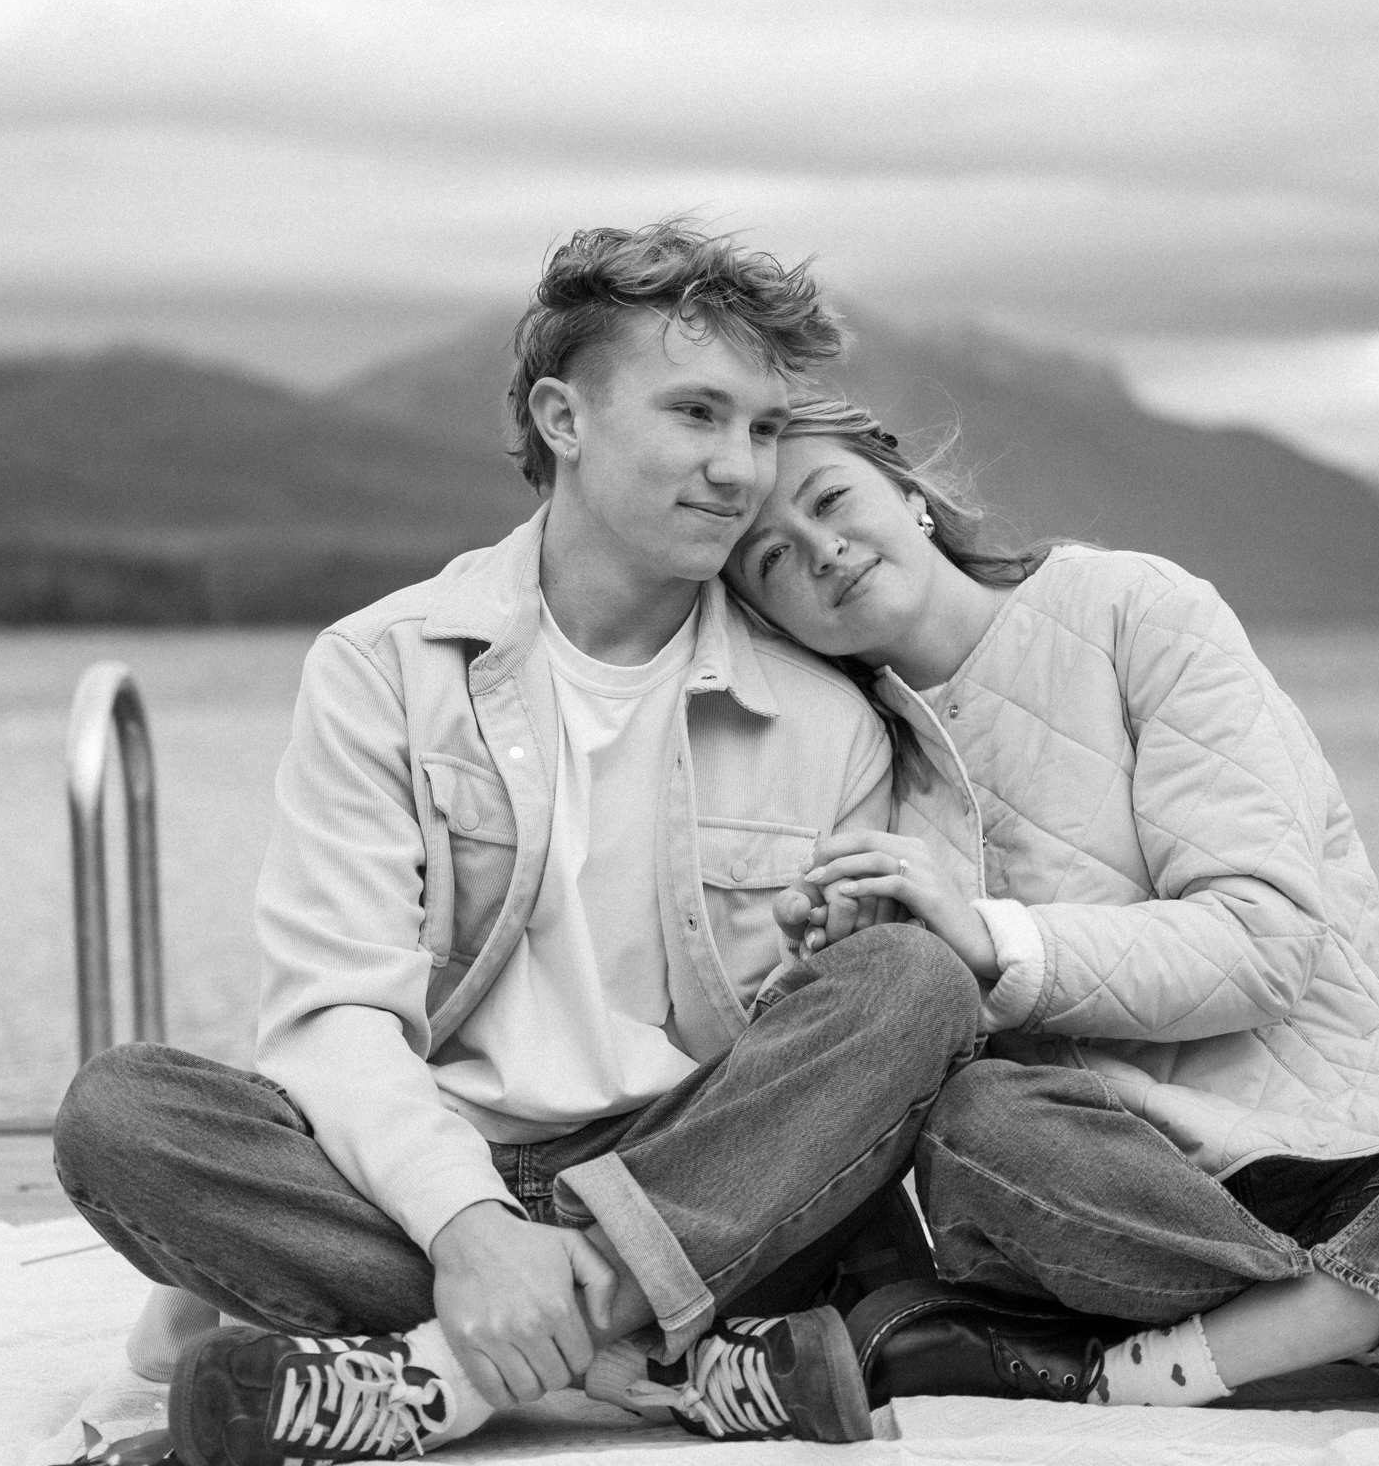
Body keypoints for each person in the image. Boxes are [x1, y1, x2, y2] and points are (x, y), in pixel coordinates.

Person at [51, 222, 984, 1466]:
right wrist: (470, 1229)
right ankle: (659, 1360)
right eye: (697, 413)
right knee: (122, 1117)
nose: (739, 469)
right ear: (563, 417)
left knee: (912, 982)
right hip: (434, 1177)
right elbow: (335, 1013)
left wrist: (822, 971)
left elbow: (798, 1089)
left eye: (764, 428)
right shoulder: (383, 667)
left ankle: (435, 1378)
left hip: (688, 1176)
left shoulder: (826, 718)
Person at [721, 397, 1379, 1420]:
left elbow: (1263, 943)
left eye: (829, 499)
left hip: (1369, 1150)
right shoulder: (856, 756)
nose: (821, 551)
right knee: (975, 1129)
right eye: (770, 559)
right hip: (1139, 1196)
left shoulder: (1134, 609)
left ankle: (1150, 1367)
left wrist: (993, 937)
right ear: (768, 617)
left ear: (910, 494)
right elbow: (925, 1067)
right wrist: (847, 966)